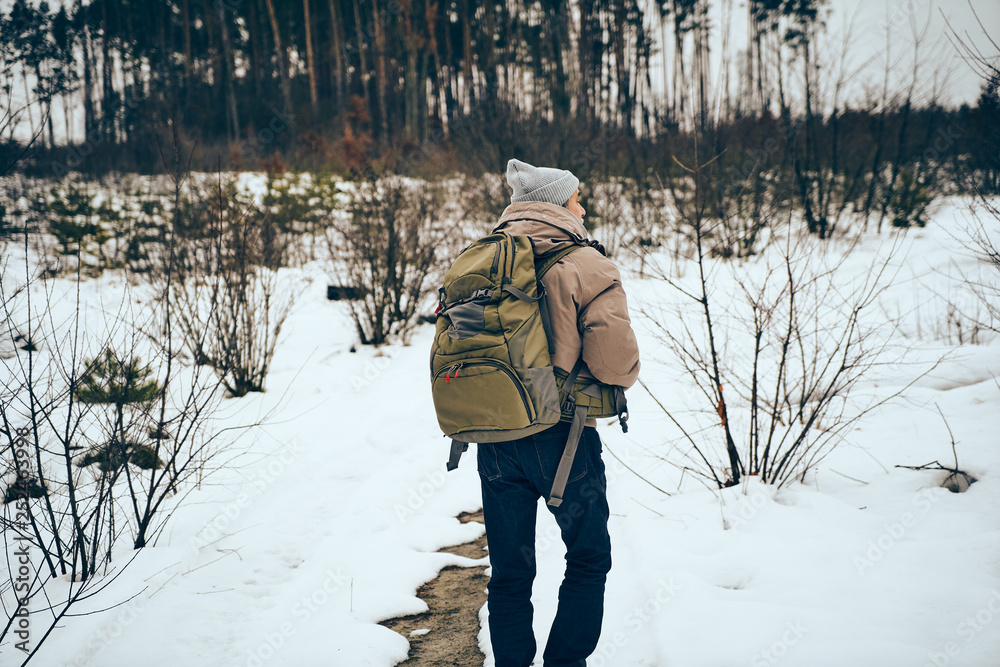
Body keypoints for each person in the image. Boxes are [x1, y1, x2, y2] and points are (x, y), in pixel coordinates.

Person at [478, 158, 641, 667]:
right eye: (576, 198)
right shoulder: (587, 264)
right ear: (555, 205)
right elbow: (616, 364)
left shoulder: (483, 257)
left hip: (494, 433)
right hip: (562, 438)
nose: (583, 206)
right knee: (589, 558)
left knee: (509, 573)